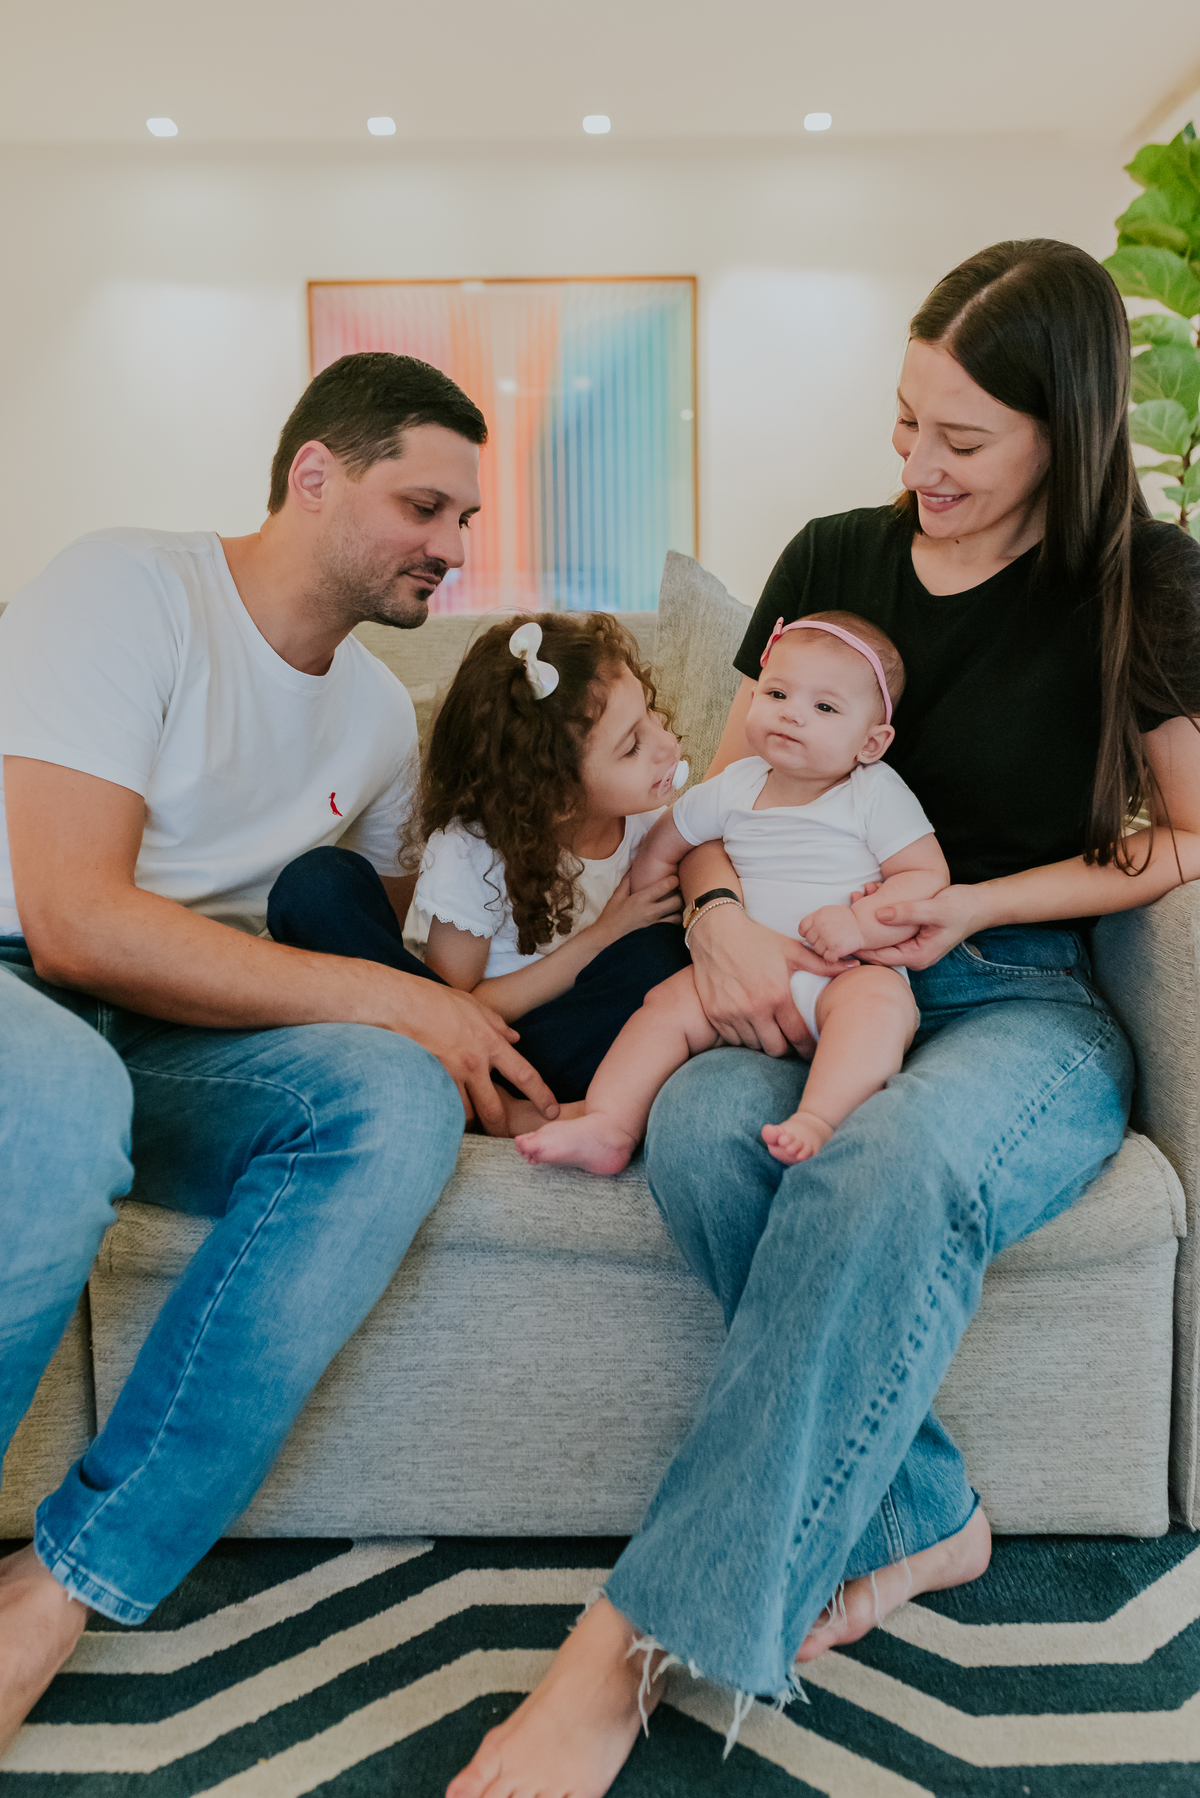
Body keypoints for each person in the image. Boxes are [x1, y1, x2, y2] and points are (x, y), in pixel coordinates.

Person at [448, 238, 1200, 1798]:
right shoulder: (832, 558)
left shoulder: (1148, 584)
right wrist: (719, 916)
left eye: (963, 438)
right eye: (907, 423)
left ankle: (633, 1641)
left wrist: (972, 906)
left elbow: (1187, 836)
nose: (921, 466)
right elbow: (722, 793)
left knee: (891, 1159)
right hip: (794, 967)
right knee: (705, 1138)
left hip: (1013, 997)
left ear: (1066, 425)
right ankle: (933, 1516)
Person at [0, 351, 559, 1754]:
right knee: (62, 1103)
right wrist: (397, 1003)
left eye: (465, 519)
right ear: (314, 473)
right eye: (423, 506)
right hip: (21, 976)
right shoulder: (129, 588)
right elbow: (72, 921)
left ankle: (70, 1578)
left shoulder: (375, 718)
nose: (453, 545)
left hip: (182, 1024)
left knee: (396, 1099)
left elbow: (387, 950)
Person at [516, 612, 947, 1174]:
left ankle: (819, 1120)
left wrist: (860, 924)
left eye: (824, 707)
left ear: (871, 742)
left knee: (880, 1008)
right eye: (777, 693)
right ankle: (609, 1124)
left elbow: (926, 879)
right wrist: (646, 897)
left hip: (844, 972)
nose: (792, 713)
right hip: (738, 972)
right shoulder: (734, 786)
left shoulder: (874, 793)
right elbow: (665, 843)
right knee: (664, 1008)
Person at [269, 612, 692, 1134]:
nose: (667, 744)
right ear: (557, 797)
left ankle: (496, 1102)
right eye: (632, 746)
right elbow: (451, 1008)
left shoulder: (651, 825)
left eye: (649, 714)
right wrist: (602, 937)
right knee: (315, 885)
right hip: (460, 1038)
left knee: (663, 956)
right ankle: (491, 1106)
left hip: (551, 1049)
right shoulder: (474, 852)